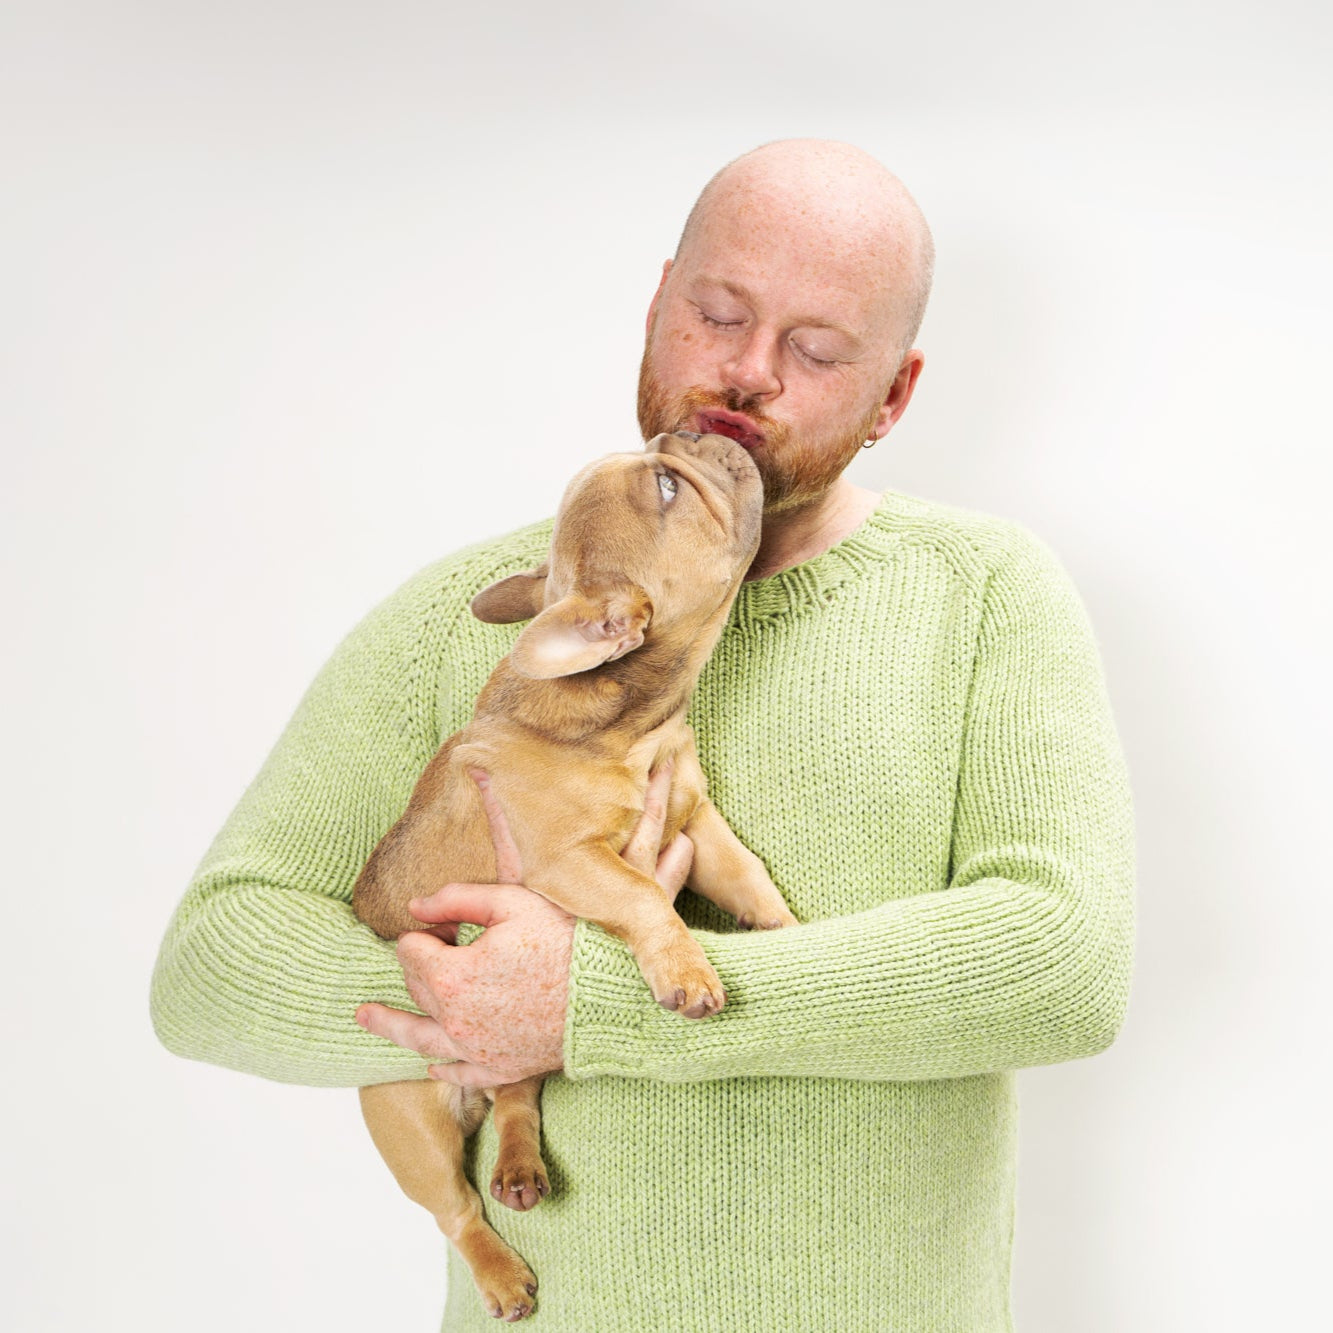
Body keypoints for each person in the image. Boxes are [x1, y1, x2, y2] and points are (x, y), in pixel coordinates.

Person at [151, 139, 1134, 1331]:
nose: (747, 371)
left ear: (893, 395)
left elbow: (1062, 965)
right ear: (658, 303)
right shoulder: (472, 617)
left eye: (817, 349)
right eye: (716, 314)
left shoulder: (983, 593)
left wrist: (591, 1001)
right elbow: (210, 968)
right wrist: (477, 996)